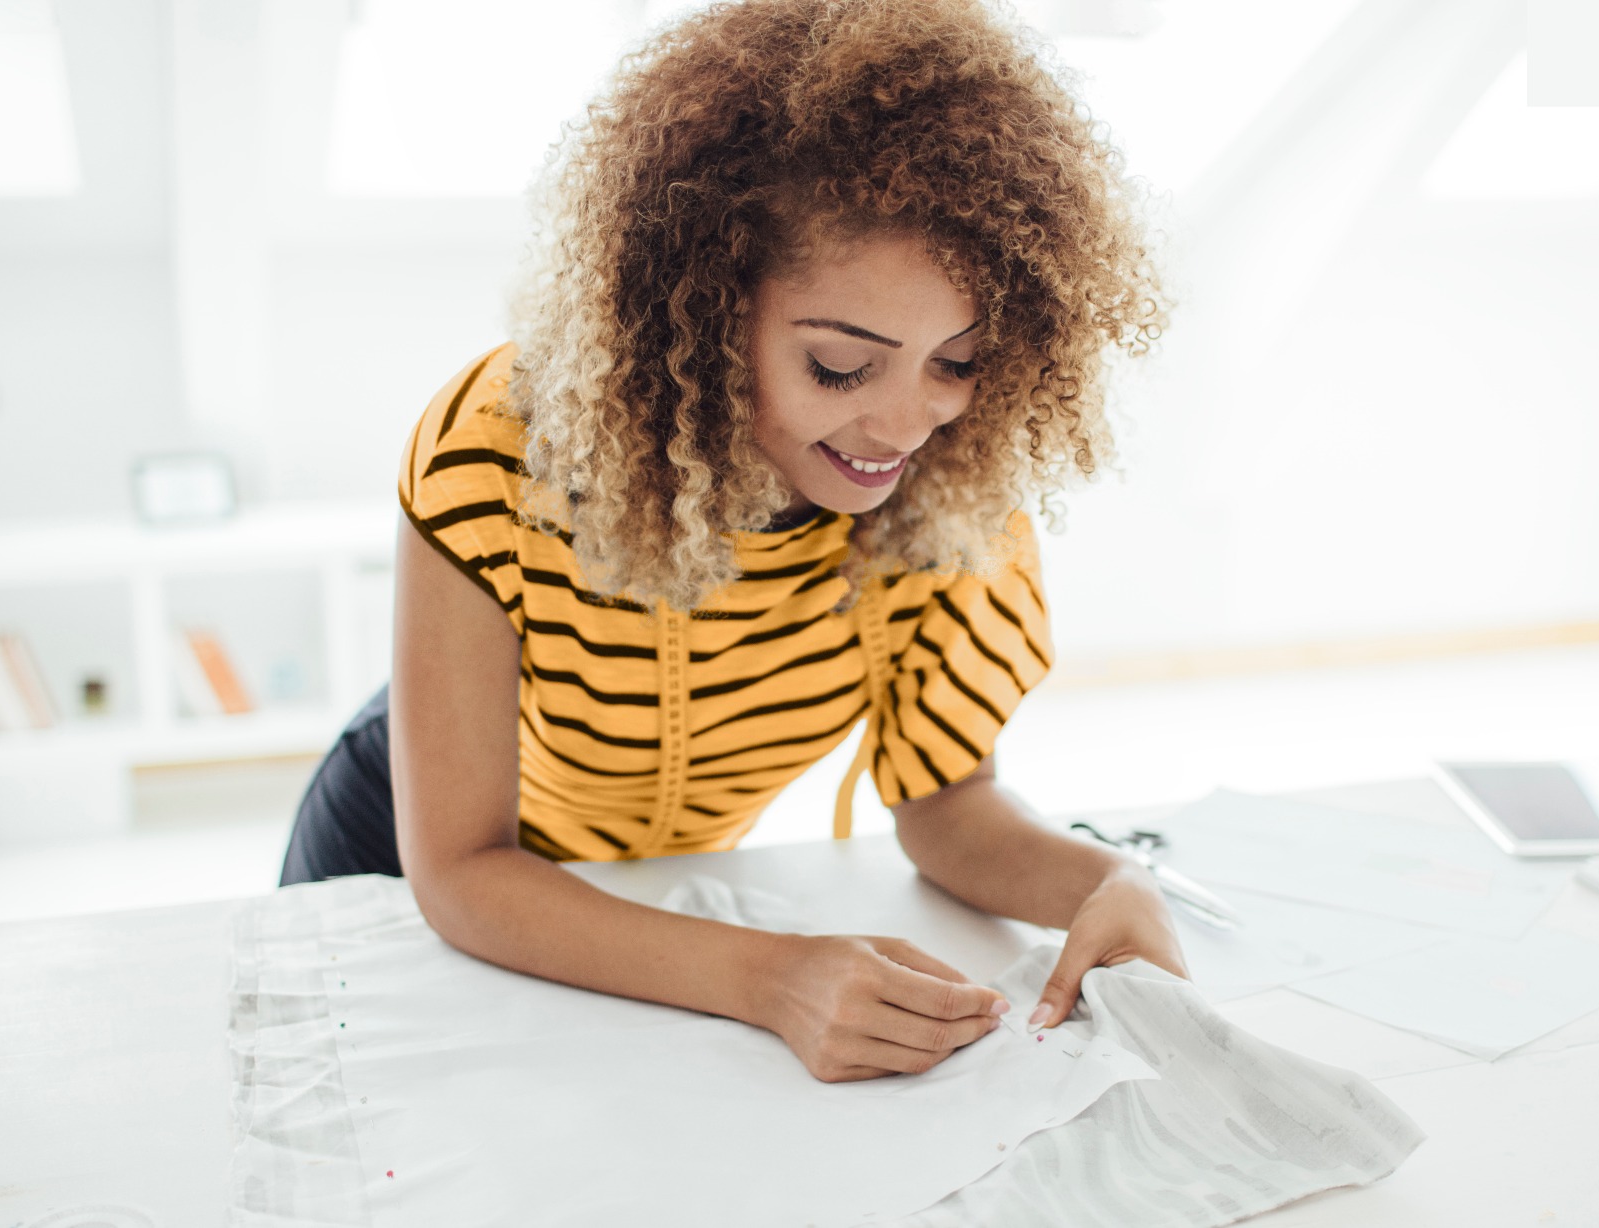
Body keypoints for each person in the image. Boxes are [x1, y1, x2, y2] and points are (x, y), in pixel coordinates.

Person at [280, 0, 1183, 1083]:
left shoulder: (951, 498)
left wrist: (1106, 882)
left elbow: (948, 805)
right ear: (700, 309)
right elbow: (463, 872)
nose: (907, 425)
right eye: (840, 366)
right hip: (397, 863)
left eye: (957, 361)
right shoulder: (496, 452)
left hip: (642, 909)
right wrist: (770, 977)